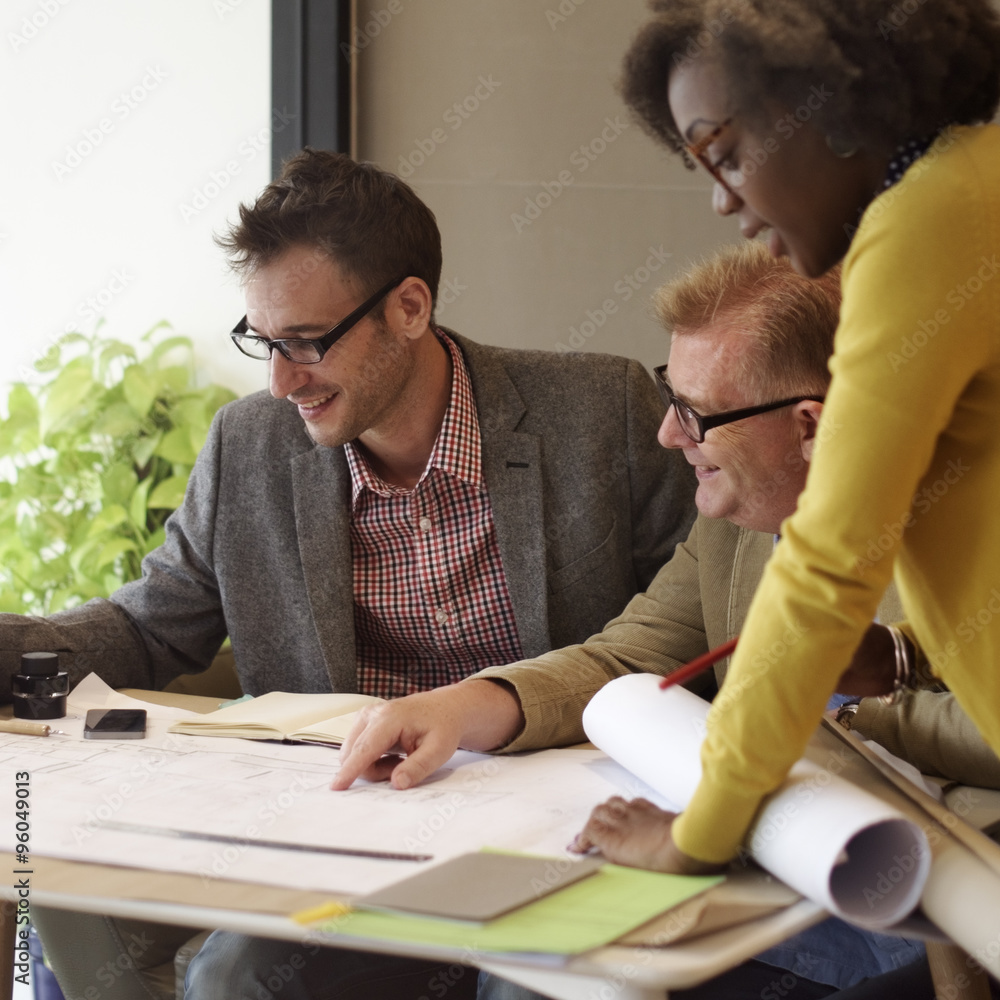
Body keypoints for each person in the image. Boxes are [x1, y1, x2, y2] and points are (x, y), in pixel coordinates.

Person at [7, 150, 698, 1000]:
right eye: (263, 341)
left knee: (543, 986)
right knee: (233, 978)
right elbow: (152, 625)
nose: (281, 380)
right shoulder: (250, 445)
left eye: (306, 342)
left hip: (550, 830)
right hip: (345, 831)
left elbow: (697, 629)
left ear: (410, 307)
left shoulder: (602, 413)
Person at [336, 241, 1000, 999]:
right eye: (668, 394)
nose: (668, 435)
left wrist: (835, 703)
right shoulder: (739, 514)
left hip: (933, 898)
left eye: (697, 413)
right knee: (537, 970)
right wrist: (461, 707)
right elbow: (632, 656)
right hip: (775, 864)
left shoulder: (964, 528)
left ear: (813, 425)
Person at [570, 0, 1000, 881]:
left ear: (830, 106)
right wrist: (913, 652)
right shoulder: (973, 184)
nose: (723, 199)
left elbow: (830, 565)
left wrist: (699, 831)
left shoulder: (921, 223)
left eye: (725, 155)